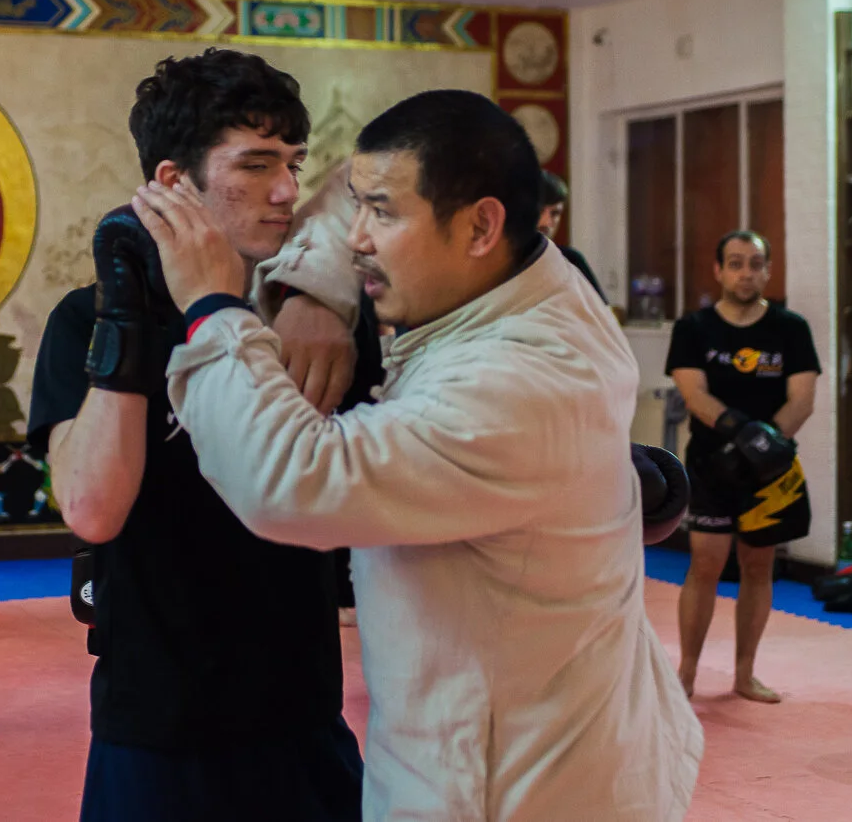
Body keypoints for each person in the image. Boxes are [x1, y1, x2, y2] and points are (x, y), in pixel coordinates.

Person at [133, 90, 702, 820]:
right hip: (522, 749)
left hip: (520, 789)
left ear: (479, 226)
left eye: (386, 215)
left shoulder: (520, 379)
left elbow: (293, 481)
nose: (360, 238)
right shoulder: (524, 275)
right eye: (363, 210)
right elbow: (349, 189)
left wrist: (214, 310)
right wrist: (314, 290)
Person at [30, 48, 371, 822]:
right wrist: (127, 303)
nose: (284, 189)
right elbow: (91, 510)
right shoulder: (84, 321)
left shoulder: (312, 318)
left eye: (291, 161)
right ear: (172, 182)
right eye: (253, 165)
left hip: (302, 714)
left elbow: (378, 164)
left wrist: (324, 284)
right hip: (156, 726)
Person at [665, 230, 819, 704]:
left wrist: (764, 446)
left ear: (768, 271)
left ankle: (744, 674)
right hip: (712, 466)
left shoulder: (791, 328)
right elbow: (694, 394)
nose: (745, 272)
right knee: (705, 564)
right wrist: (738, 435)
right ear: (718, 271)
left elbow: (803, 399)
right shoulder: (694, 328)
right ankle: (686, 673)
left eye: (755, 263)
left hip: (768, 472)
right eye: (735, 263)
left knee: (759, 566)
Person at [538, 168, 606, 300]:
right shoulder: (502, 265)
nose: (546, 222)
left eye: (555, 213)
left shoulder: (571, 260)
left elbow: (603, 314)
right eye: (539, 211)